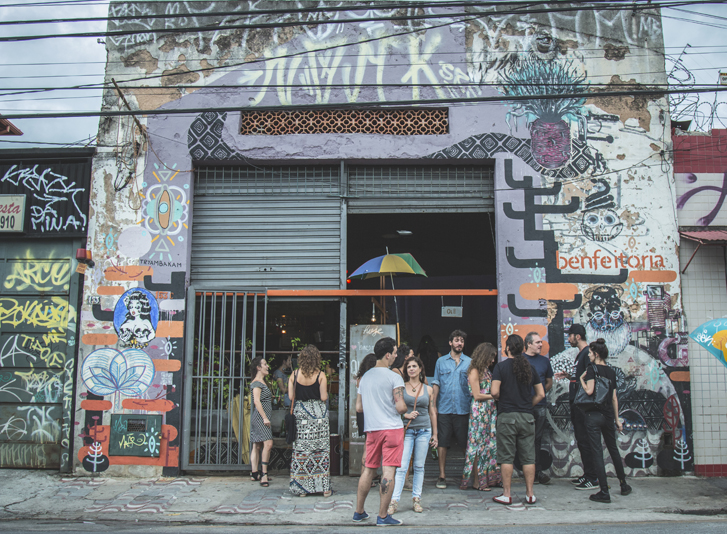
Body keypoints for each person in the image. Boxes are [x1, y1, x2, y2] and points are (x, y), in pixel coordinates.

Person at [354, 337, 407, 526]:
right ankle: (383, 516)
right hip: (392, 429)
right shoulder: (394, 377)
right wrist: (406, 409)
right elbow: (400, 407)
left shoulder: (365, 378)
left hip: (372, 429)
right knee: (389, 471)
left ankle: (359, 511)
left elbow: (359, 407)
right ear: (387, 355)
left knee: (368, 470)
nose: (396, 356)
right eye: (394, 353)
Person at [490, 334, 544, 505]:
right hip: (527, 417)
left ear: (507, 348)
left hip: (507, 416)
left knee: (506, 457)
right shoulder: (530, 368)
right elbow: (541, 394)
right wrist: (527, 405)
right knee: (528, 457)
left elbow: (494, 392)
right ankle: (530, 494)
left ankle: (506, 494)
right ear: (522, 348)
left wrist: (501, 399)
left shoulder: (501, 367)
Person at [579, 338, 632, 503]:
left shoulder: (591, 369)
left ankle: (604, 491)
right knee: (613, 449)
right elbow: (614, 398)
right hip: (608, 415)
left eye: (590, 353)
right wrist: (617, 419)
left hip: (593, 415)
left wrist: (581, 379)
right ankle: (623, 484)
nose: (588, 356)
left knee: (597, 452)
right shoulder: (611, 371)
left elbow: (589, 391)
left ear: (596, 354)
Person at [388, 357, 438, 515]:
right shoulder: (401, 387)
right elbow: (394, 408)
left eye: (414, 366)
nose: (411, 369)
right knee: (402, 467)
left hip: (424, 430)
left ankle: (417, 499)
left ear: (420, 369)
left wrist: (435, 434)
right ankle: (394, 501)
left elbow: (432, 412)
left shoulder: (428, 389)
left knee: (419, 467)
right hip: (407, 430)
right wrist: (406, 415)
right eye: (408, 366)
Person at [555, 324, 599, 490]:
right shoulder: (581, 354)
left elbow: (591, 378)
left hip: (583, 405)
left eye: (570, 335)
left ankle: (593, 477)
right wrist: (569, 376)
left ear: (577, 336)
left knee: (585, 440)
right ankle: (588, 474)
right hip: (577, 404)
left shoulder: (587, 354)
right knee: (582, 440)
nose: (569, 339)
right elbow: (581, 377)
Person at [288, 345, 331, 497]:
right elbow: (324, 397)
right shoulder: (321, 375)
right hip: (318, 416)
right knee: (320, 452)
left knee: (302, 452)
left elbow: (291, 397)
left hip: (301, 415)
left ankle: (302, 488)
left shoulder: (294, 375)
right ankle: (324, 488)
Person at [431, 330, 471, 489]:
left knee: (465, 443)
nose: (459, 343)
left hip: (463, 408)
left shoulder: (470, 362)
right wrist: (433, 405)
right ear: (450, 342)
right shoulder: (441, 361)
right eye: (456, 340)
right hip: (444, 408)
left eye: (462, 341)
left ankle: (468, 474)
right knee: (442, 442)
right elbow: (436, 383)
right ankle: (442, 476)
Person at [460, 342, 501, 491]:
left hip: (489, 410)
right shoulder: (474, 371)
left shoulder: (486, 370)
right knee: (478, 445)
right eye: (491, 357)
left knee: (488, 445)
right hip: (479, 411)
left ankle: (487, 478)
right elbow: (477, 395)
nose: (493, 360)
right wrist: (495, 396)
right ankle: (478, 481)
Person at [523, 332, 554, 485]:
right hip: (523, 407)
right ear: (528, 344)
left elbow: (549, 382)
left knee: (537, 439)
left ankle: (536, 472)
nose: (541, 345)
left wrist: (538, 395)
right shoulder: (520, 360)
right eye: (537, 342)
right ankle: (526, 471)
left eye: (541, 342)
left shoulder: (544, 361)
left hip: (540, 406)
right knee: (523, 439)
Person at [249, 356, 273, 487]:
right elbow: (256, 401)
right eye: (265, 364)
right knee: (268, 444)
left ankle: (254, 473)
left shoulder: (262, 382)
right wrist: (264, 417)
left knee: (257, 445)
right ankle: (264, 474)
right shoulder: (257, 383)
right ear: (258, 367)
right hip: (260, 418)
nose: (267, 366)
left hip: (260, 418)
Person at [355, 353, 378, 476]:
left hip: (362, 412)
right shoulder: (371, 378)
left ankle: (370, 474)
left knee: (368, 442)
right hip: (370, 411)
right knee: (369, 445)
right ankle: (365, 474)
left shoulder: (360, 378)